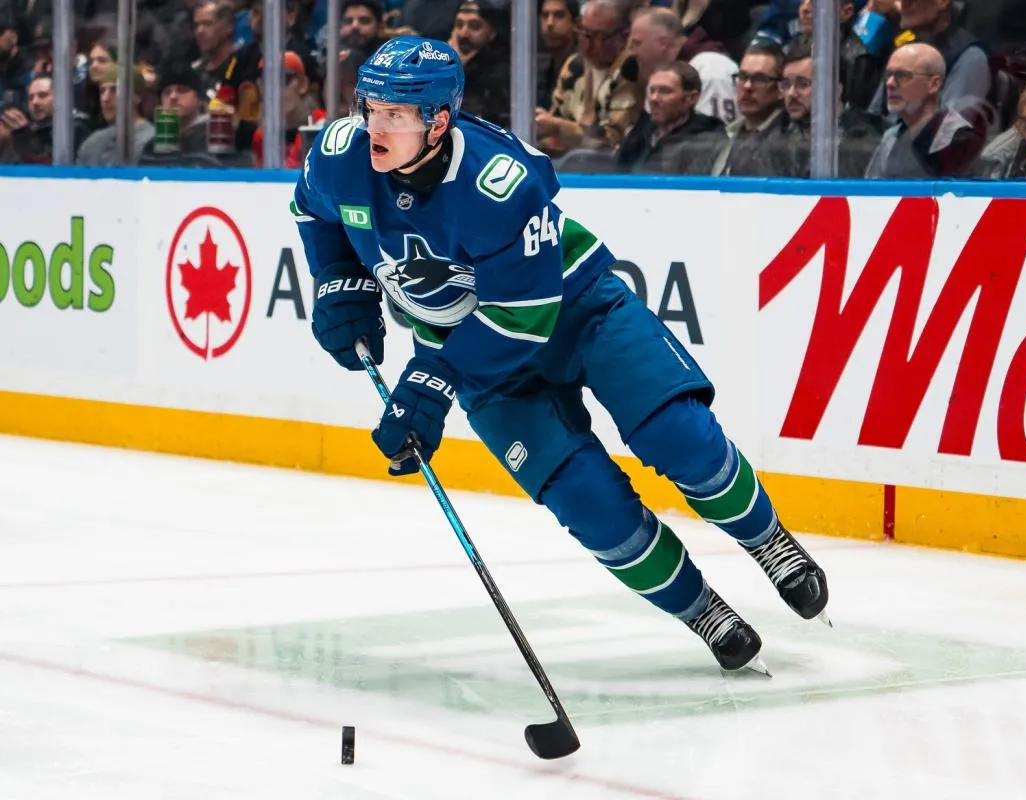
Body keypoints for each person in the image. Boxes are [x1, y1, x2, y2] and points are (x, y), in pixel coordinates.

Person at [290, 36, 831, 673]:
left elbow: (522, 316)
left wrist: (432, 377)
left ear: (439, 120)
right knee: (591, 506)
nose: (374, 126)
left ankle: (767, 542)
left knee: (679, 437)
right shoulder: (339, 156)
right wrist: (336, 279)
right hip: (478, 359)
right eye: (369, 107)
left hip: (578, 312)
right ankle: (702, 610)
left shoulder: (498, 182)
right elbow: (312, 212)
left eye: (396, 114)